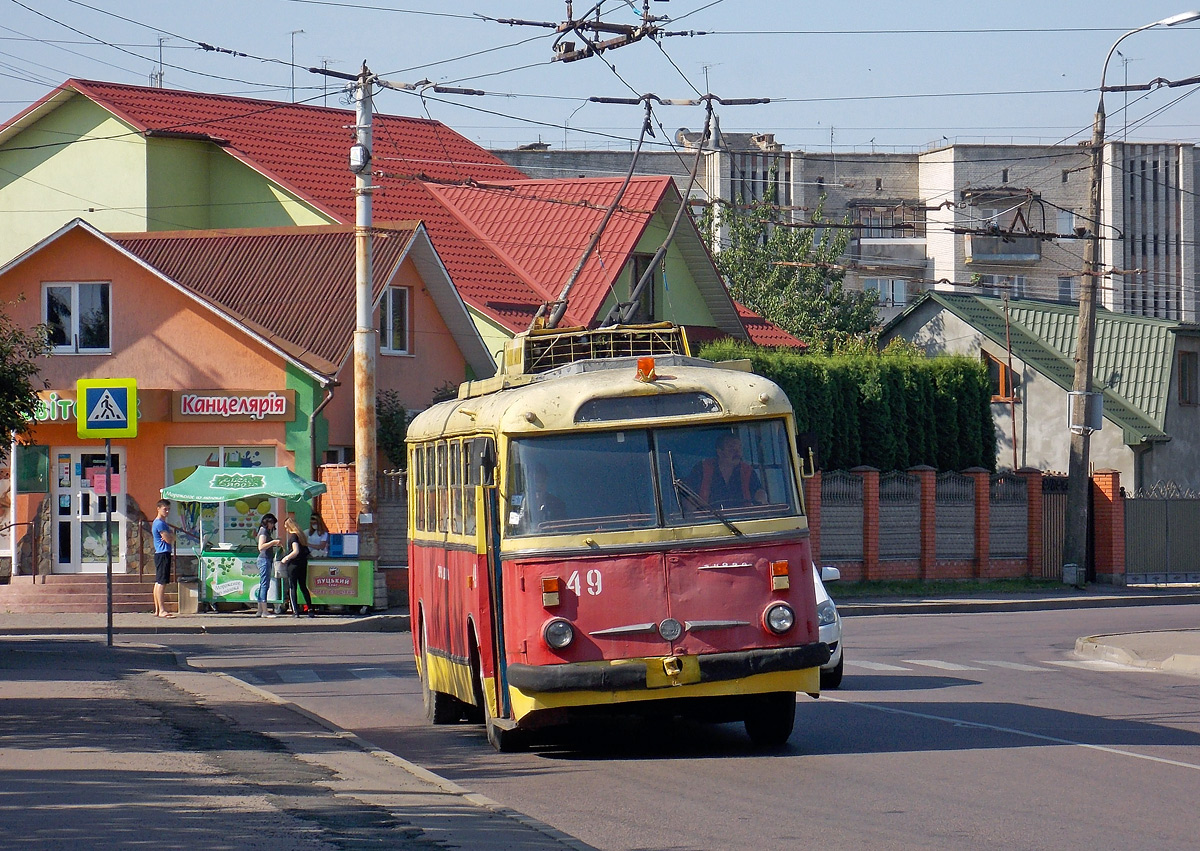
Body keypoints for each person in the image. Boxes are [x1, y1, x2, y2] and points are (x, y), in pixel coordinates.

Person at [688, 433, 768, 510]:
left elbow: (759, 492)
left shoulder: (747, 471)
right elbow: (688, 497)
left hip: (743, 517)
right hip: (708, 517)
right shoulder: (702, 469)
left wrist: (762, 499)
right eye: (731, 448)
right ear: (719, 452)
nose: (737, 452)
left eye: (739, 448)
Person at [280, 516, 315, 617]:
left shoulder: (293, 537)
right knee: (303, 586)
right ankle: (310, 609)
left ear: (289, 526)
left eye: (286, 527)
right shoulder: (301, 536)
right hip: (303, 563)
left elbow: (296, 551)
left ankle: (295, 611)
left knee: (292, 587)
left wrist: (286, 558)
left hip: (294, 564)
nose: (286, 529)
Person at [151, 499, 175, 618]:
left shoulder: (161, 523)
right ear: (158, 509)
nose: (167, 511)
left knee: (158, 582)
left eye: (169, 509)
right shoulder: (159, 523)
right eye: (165, 509)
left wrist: (170, 535)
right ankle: (161, 610)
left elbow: (169, 537)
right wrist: (171, 535)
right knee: (161, 582)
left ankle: (157, 609)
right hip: (163, 553)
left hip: (161, 553)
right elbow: (169, 539)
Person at [255, 513, 280, 618]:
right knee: (265, 585)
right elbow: (261, 547)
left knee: (263, 584)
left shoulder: (264, 531)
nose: (272, 525)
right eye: (272, 523)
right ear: (267, 522)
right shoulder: (263, 531)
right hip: (264, 559)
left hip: (266, 559)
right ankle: (265, 611)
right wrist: (273, 542)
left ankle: (260, 610)